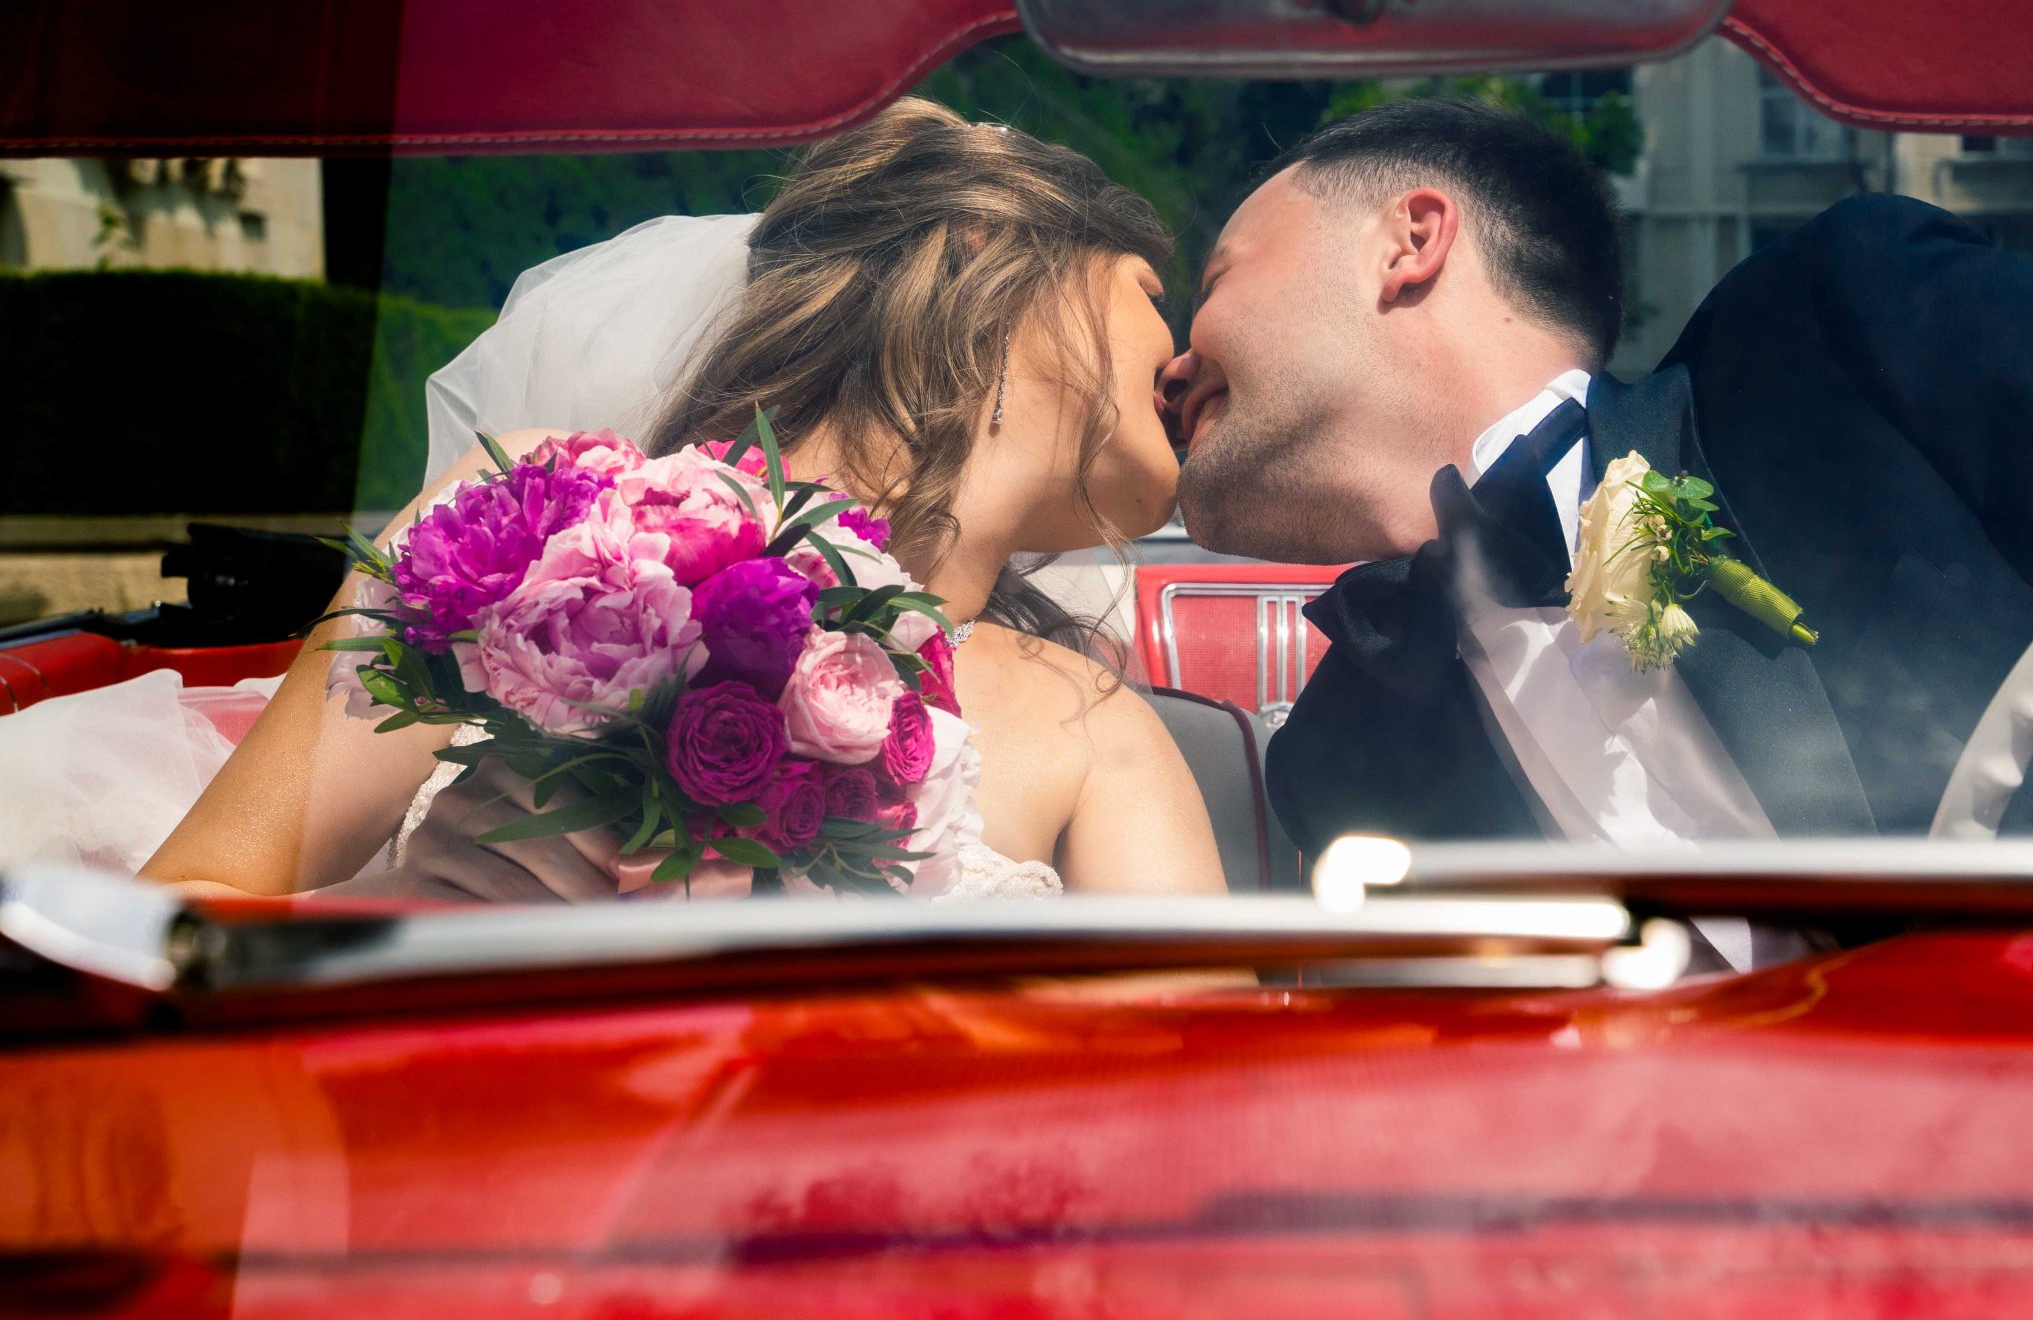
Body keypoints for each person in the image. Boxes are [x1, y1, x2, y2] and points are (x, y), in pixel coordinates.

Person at [1160, 98, 2033, 967]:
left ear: (1410, 241)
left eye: (1213, 275)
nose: (1173, 359)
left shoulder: (1834, 335)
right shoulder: (1337, 766)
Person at [117, 99, 1228, 901]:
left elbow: (1194, 1111)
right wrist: (412, 920)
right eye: (1152, 291)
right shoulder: (535, 515)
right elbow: (185, 908)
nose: (1183, 360)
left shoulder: (1100, 731)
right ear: (981, 245)